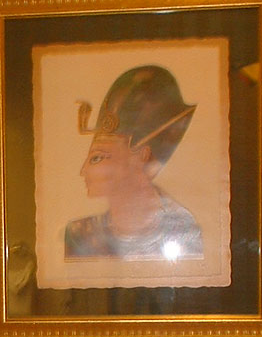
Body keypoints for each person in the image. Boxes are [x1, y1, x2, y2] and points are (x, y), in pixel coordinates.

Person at [64, 65, 203, 261]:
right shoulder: (79, 236)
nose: (83, 170)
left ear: (142, 157)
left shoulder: (187, 233)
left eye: (97, 158)